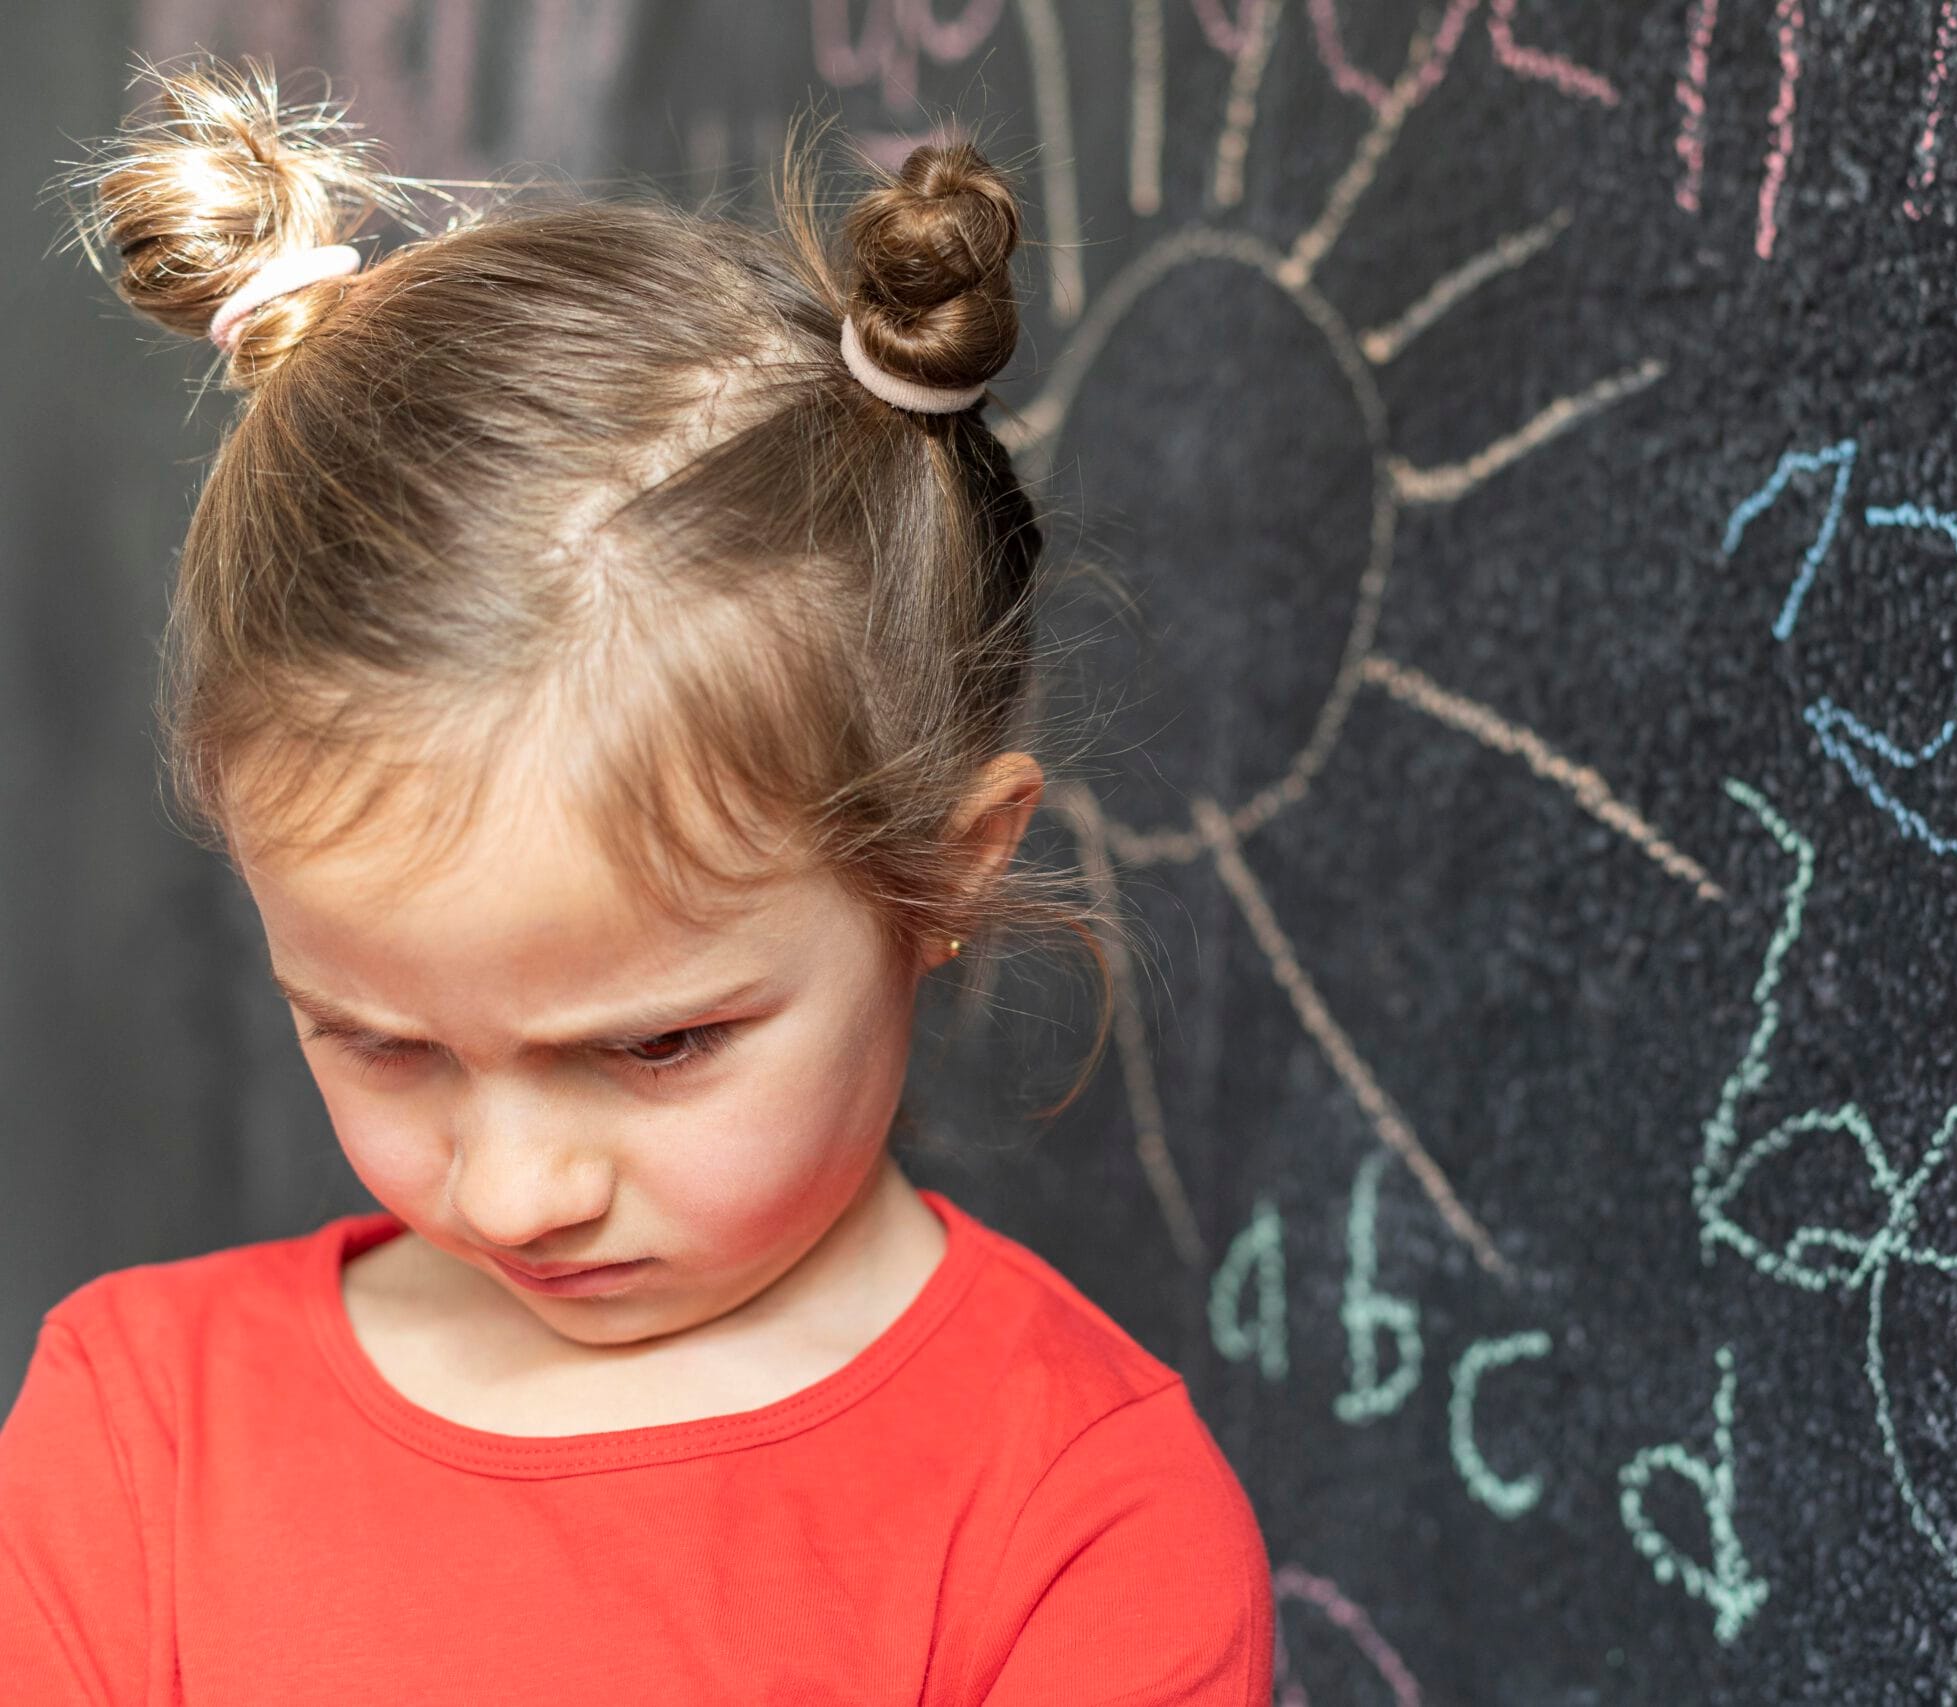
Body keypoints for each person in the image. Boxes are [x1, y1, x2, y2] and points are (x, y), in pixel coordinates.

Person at [0, 53, 1274, 1704]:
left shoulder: (1079, 1526)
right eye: (381, 1040)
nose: (515, 1194)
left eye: (657, 1046)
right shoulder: (135, 1430)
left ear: (947, 873)